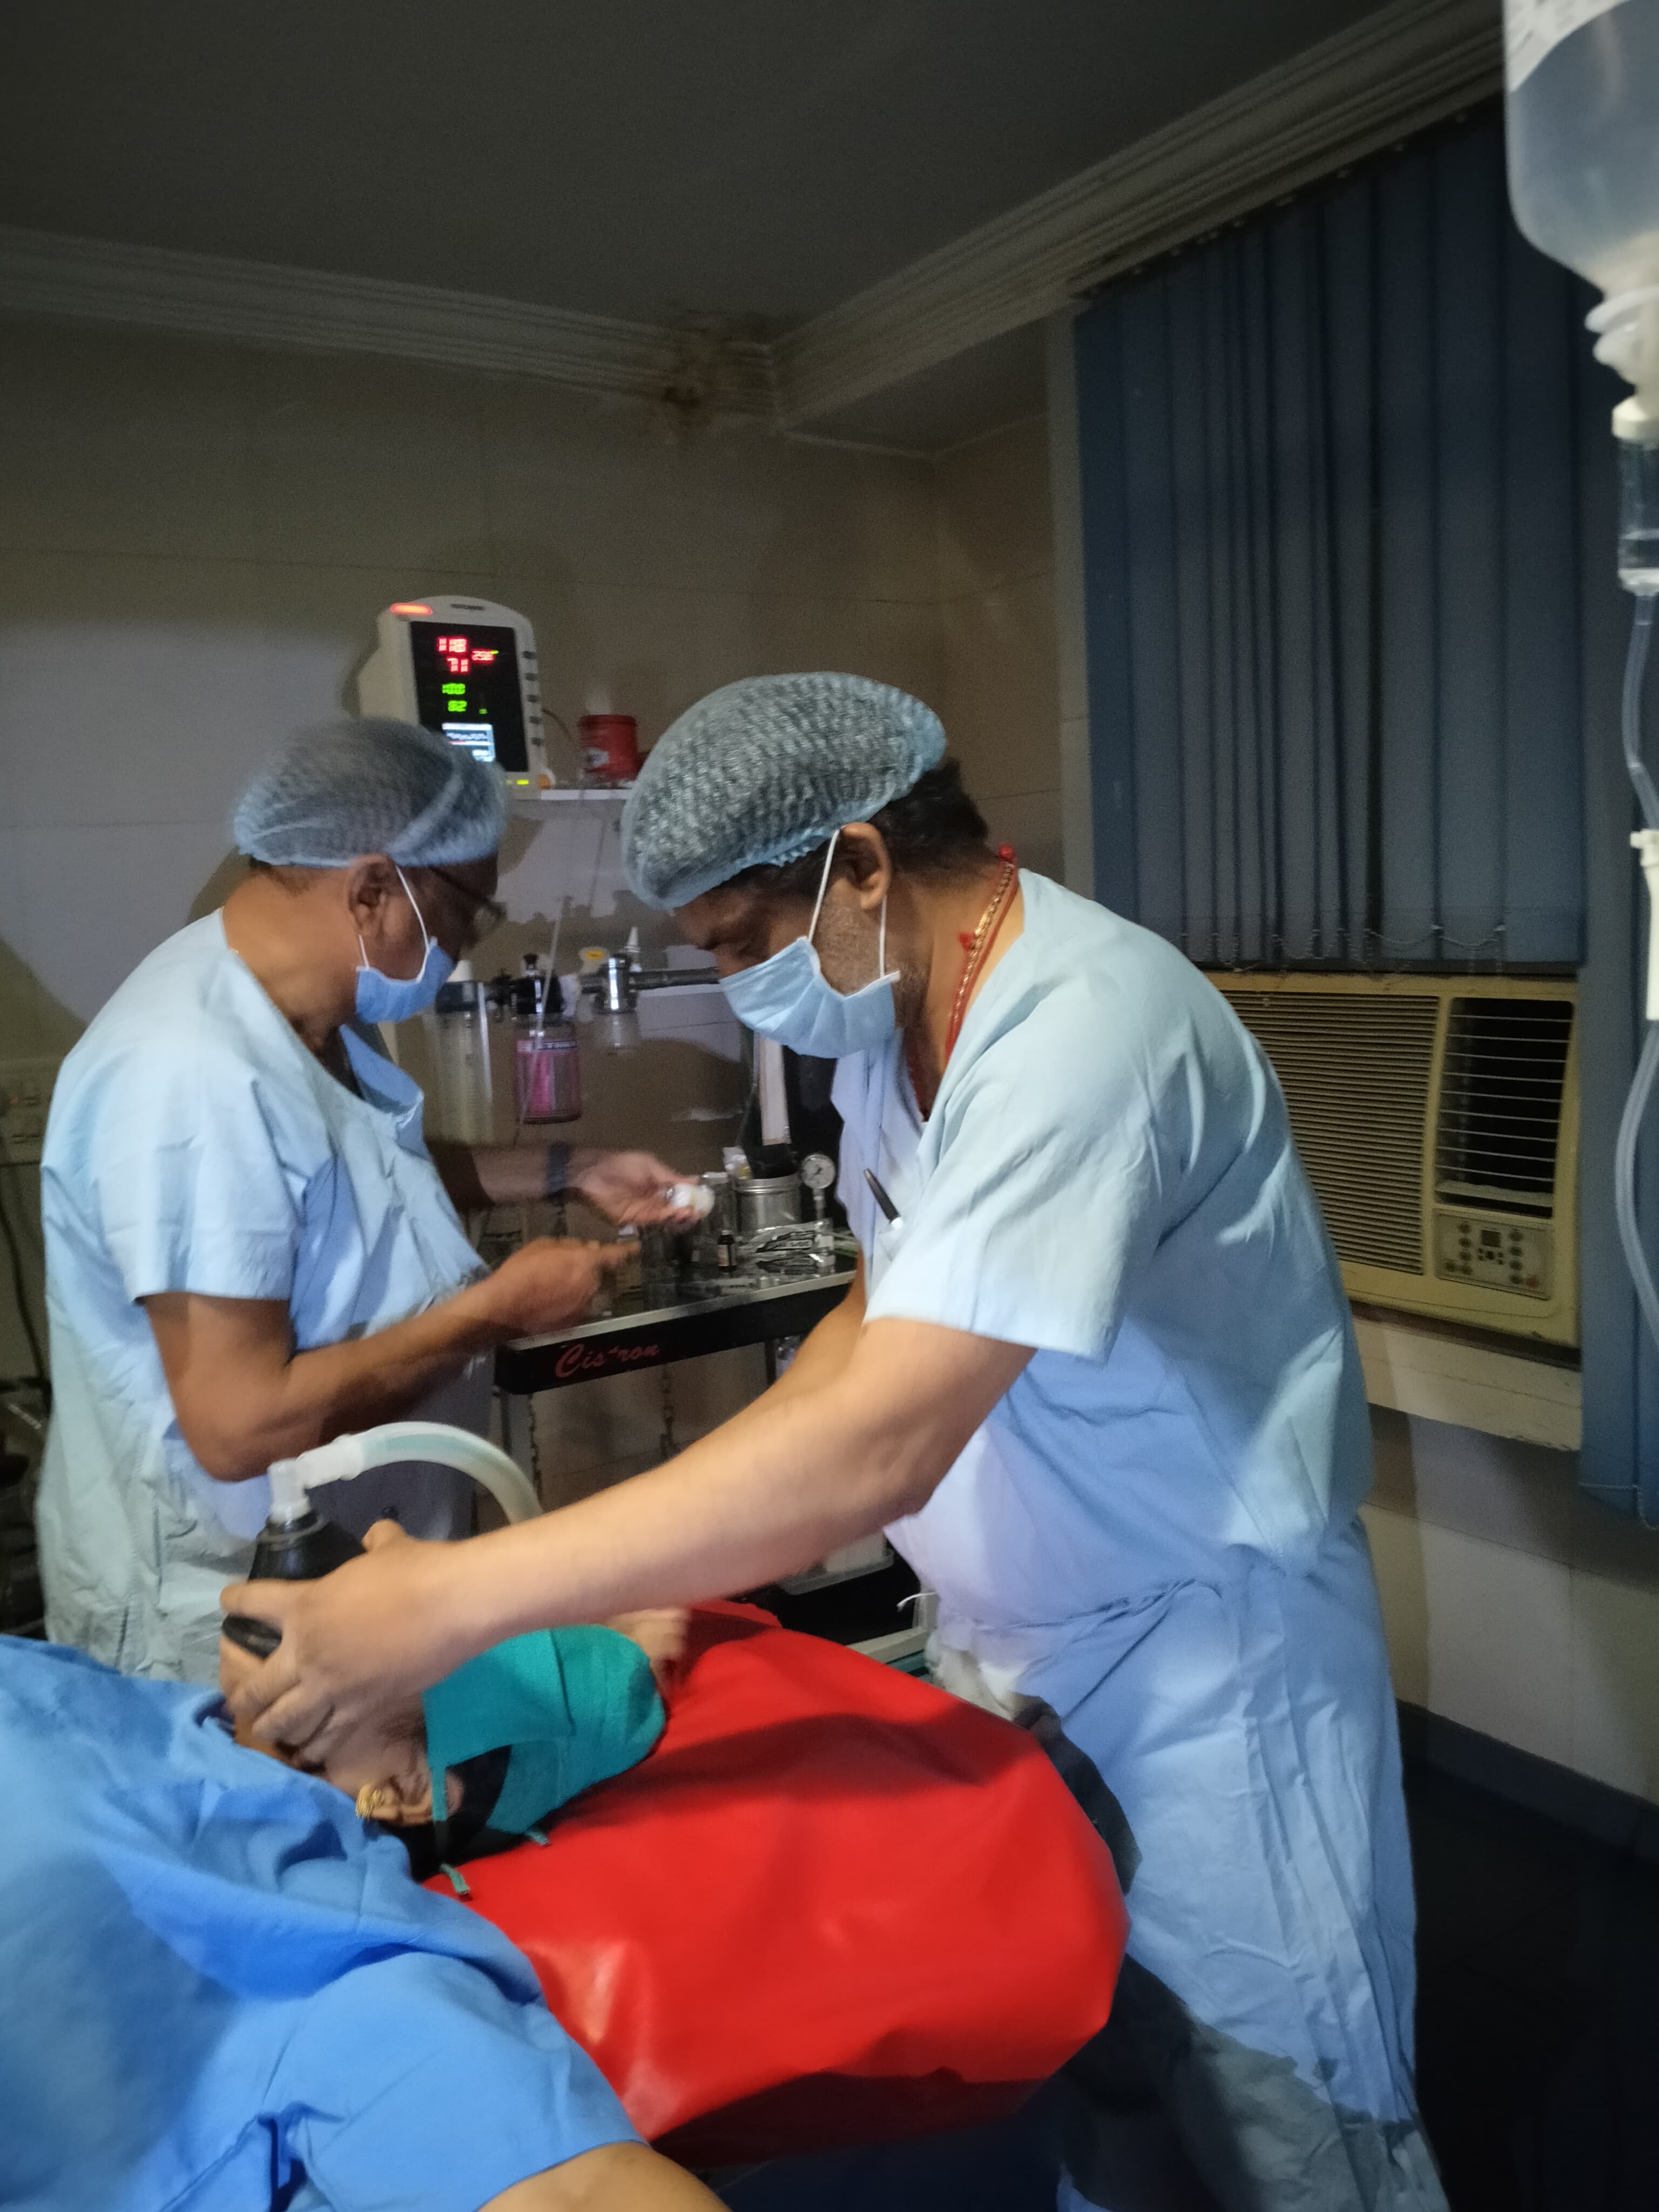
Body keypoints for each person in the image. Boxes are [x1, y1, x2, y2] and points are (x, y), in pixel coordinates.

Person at [224, 674, 1447, 2212]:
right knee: (1093, 2067)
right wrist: (625, 1580)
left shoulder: (1085, 1032)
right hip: (1026, 1644)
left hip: (1209, 1675)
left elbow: (880, 1451)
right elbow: (857, 1347)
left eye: (740, 943)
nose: (736, 983)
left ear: (860, 865)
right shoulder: (896, 1028)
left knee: (1293, 2130)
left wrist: (458, 1601)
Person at [37, 717, 691, 1683]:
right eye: (465, 913)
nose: (464, 946)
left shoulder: (302, 1017)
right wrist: (487, 1317)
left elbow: (353, 1173)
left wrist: (571, 1168)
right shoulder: (188, 1074)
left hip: (345, 1577)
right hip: (223, 1624)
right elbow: (240, 1426)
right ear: (375, 887)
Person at [0, 1633, 720, 2212]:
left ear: (406, 1789)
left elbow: (579, 2189)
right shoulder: (134, 1707)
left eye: (401, 1631)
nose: (349, 1599)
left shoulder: (334, 1945)